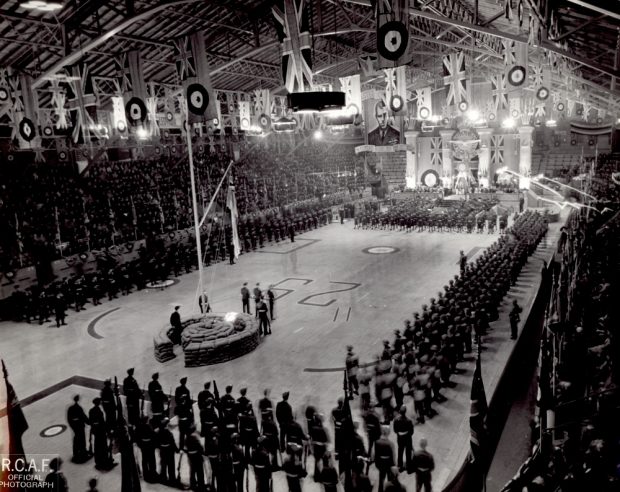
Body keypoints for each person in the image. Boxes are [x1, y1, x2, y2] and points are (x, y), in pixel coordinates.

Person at [89, 398, 114, 470]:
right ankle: (105, 461)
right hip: (101, 431)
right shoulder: (99, 412)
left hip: (96, 431)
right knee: (103, 446)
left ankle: (98, 461)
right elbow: (102, 423)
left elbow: (91, 421)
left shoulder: (91, 411)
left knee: (97, 446)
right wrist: (108, 431)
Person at [67, 395, 90, 463]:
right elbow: (83, 416)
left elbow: (69, 419)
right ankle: (83, 453)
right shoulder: (79, 408)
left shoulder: (70, 408)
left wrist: (72, 426)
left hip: (75, 426)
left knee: (76, 439)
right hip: (80, 426)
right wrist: (89, 422)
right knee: (82, 440)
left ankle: (76, 453)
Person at [135, 415, 157, 482]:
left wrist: (140, 445)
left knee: (144, 460)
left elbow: (137, 438)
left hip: (143, 445)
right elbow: (153, 436)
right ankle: (153, 474)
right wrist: (154, 445)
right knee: (152, 460)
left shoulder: (138, 428)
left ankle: (146, 475)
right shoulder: (149, 427)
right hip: (150, 445)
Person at [393, 405, 414, 472]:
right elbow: (411, 432)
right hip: (407, 438)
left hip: (400, 438)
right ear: (405, 411)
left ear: (399, 411)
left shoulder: (396, 420)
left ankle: (400, 466)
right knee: (408, 452)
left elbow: (395, 430)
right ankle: (409, 468)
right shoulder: (409, 420)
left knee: (400, 451)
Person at [158, 419, 179, 485]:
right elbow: (172, 443)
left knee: (163, 464)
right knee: (171, 465)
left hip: (162, 450)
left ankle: (163, 478)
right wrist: (177, 450)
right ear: (166, 425)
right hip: (169, 451)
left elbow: (157, 441)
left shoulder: (159, 432)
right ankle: (172, 479)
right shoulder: (169, 433)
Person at [375, 426, 395, 492]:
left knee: (381, 480)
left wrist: (377, 464)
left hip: (380, 463)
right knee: (390, 481)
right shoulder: (391, 443)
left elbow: (375, 455)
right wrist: (394, 465)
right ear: (388, 433)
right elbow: (393, 456)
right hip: (389, 463)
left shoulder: (377, 442)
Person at [185, 426, 206, 491]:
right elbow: (200, 447)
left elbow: (185, 449)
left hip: (190, 456)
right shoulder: (195, 437)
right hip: (197, 456)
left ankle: (193, 485)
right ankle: (201, 486)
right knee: (200, 472)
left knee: (192, 471)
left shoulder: (186, 438)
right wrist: (202, 452)